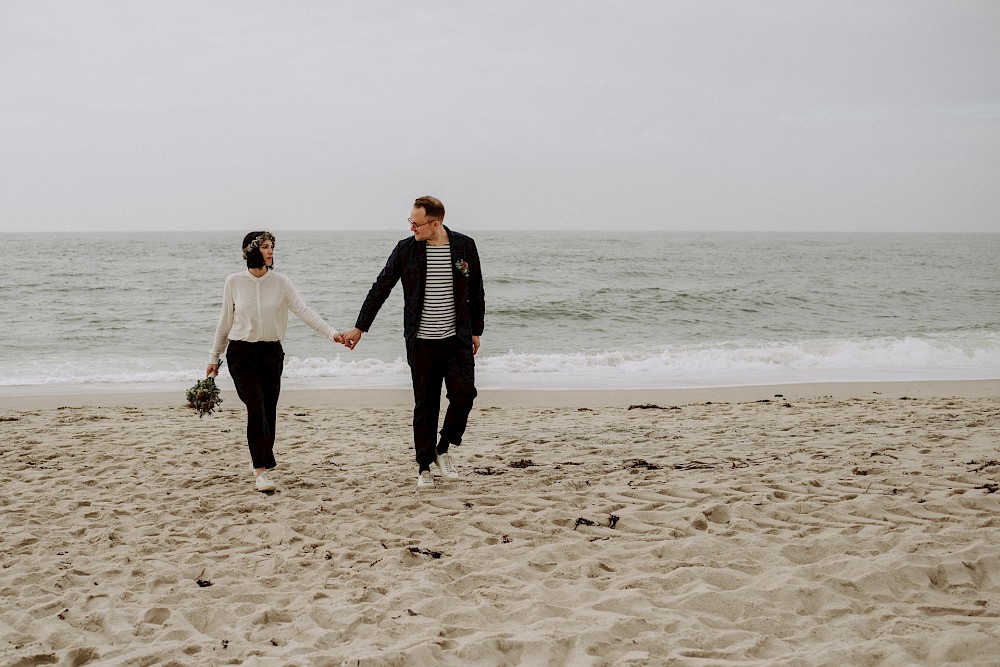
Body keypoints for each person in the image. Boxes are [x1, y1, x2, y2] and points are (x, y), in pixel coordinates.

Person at [341, 196, 485, 488]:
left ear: (436, 223)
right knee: (425, 405)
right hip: (421, 343)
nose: (411, 228)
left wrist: (476, 331)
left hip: (456, 339)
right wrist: (360, 327)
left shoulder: (464, 246)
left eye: (416, 224)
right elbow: (381, 286)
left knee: (464, 395)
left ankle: (443, 449)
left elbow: (477, 289)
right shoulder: (406, 250)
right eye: (410, 222)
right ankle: (424, 467)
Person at [207, 231, 346, 493]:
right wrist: (214, 358)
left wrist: (332, 333)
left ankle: (259, 457)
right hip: (241, 353)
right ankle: (261, 470)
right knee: (256, 406)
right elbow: (225, 322)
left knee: (269, 409)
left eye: (272, 247)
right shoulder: (234, 282)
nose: (271, 252)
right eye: (266, 247)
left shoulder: (281, 283)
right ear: (251, 251)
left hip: (271, 353)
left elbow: (304, 311)